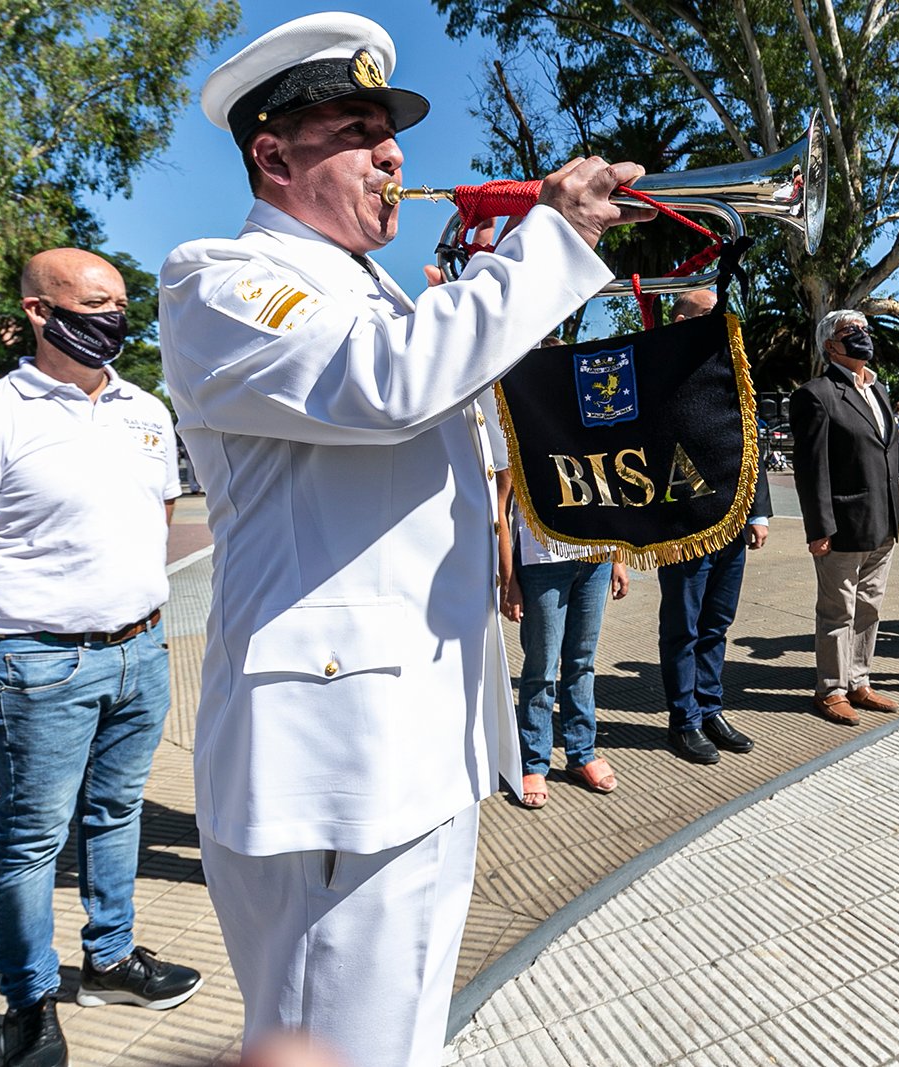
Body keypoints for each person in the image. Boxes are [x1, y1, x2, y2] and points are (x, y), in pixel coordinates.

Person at [157, 13, 650, 1066]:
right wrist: (547, 244)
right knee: (337, 1038)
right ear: (274, 155)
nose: (392, 156)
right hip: (337, 752)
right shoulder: (224, 278)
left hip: (419, 729)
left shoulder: (374, 293)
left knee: (401, 1036)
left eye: (393, 133)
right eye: (357, 128)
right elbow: (388, 386)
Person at [0, 248, 197, 1067]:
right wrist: (10, 646)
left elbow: (157, 516)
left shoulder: (146, 408)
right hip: (40, 669)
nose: (115, 316)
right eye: (96, 302)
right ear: (42, 312)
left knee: (119, 814)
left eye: (121, 302)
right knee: (31, 841)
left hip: (142, 651)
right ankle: (29, 1002)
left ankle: (110, 959)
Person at [656, 288, 770, 764]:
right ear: (682, 320)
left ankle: (709, 707)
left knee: (716, 624)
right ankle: (684, 720)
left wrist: (757, 510)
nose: (722, 322)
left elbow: (750, 439)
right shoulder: (656, 369)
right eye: (710, 315)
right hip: (684, 523)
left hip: (731, 522)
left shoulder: (730, 366)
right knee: (683, 626)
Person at [791, 309, 899, 725]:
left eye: (864, 329)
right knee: (838, 611)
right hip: (842, 526)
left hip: (883, 522)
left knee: (869, 607)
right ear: (830, 345)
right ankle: (831, 689)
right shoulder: (816, 394)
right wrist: (819, 528)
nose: (863, 336)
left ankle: (859, 680)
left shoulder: (880, 389)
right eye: (850, 331)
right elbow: (811, 467)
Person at [499, 486, 629, 808]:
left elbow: (610, 489)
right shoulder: (519, 435)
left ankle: (581, 752)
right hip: (543, 559)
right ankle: (533, 762)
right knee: (541, 668)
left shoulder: (597, 432)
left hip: (596, 555)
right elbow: (499, 507)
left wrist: (618, 556)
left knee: (582, 663)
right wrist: (508, 579)